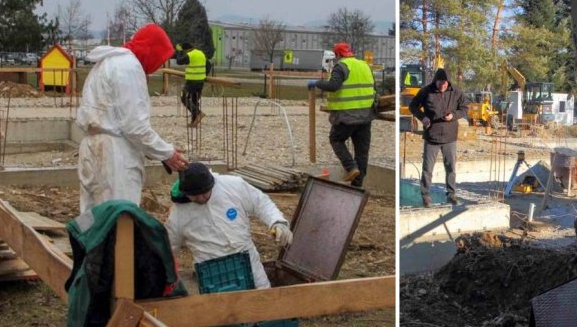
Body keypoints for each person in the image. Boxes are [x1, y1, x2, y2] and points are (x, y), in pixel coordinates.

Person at [76, 23, 188, 213]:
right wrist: (167, 153)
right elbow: (134, 126)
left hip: (92, 147)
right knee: (120, 215)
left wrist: (157, 151)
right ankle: (116, 244)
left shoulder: (107, 63)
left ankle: (85, 242)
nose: (158, 65)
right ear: (151, 50)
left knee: (91, 211)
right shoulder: (129, 67)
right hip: (115, 155)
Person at [165, 162, 293, 290]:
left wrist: (277, 222)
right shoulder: (178, 214)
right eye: (194, 196)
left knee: (263, 303)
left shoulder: (233, 186)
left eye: (204, 193)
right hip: (214, 276)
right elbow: (169, 248)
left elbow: (261, 203)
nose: (201, 198)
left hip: (248, 263)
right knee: (223, 309)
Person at [307, 42, 376, 188]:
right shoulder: (365, 65)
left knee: (336, 139)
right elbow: (373, 88)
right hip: (365, 116)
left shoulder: (341, 66)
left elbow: (333, 86)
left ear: (337, 55)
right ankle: (357, 186)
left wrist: (317, 83)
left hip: (346, 115)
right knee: (362, 152)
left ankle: (351, 167)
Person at [409, 67, 468, 207]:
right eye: (441, 84)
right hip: (432, 136)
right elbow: (413, 106)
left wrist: (454, 116)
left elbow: (464, 108)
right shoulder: (425, 92)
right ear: (436, 81)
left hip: (450, 136)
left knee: (451, 168)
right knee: (427, 169)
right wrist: (422, 117)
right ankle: (426, 196)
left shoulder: (456, 92)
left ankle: (451, 195)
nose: (443, 86)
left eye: (445, 84)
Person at [174, 41, 210, 127]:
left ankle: (198, 113)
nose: (185, 53)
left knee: (184, 98)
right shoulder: (201, 53)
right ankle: (194, 122)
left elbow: (179, 61)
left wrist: (179, 51)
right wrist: (204, 75)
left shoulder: (190, 55)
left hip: (192, 82)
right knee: (194, 100)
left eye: (184, 51)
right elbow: (209, 65)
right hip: (200, 82)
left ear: (187, 50)